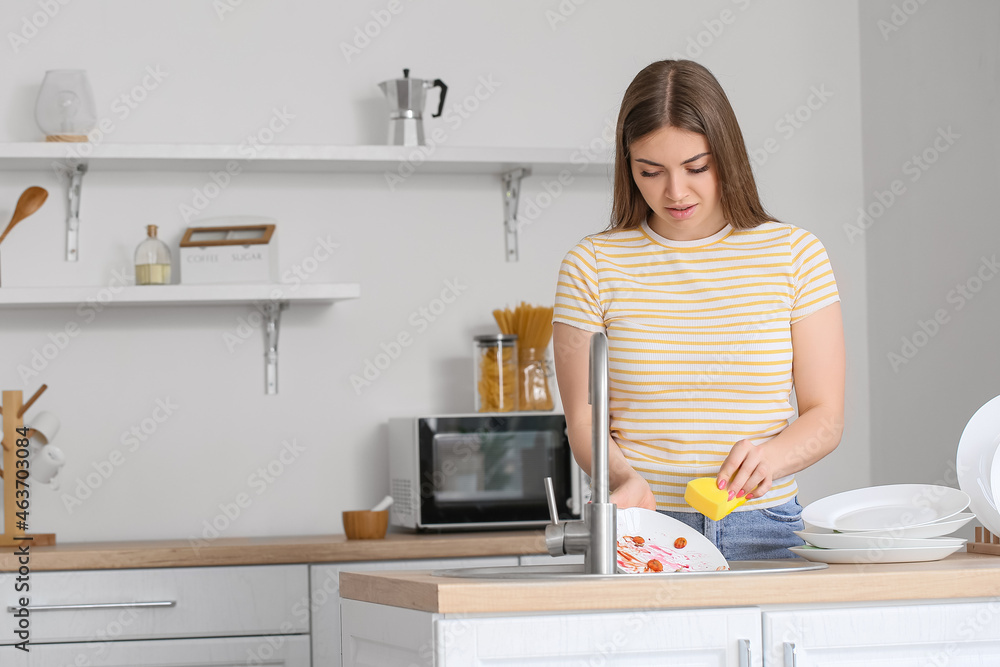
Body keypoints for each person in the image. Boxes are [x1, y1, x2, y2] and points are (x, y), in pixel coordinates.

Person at [552, 59, 845, 560]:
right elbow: (583, 419)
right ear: (628, 167)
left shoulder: (796, 254)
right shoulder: (591, 265)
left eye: (696, 167)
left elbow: (825, 416)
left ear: (726, 157)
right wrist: (624, 478)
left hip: (766, 527)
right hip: (645, 531)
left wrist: (770, 457)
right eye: (650, 171)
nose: (676, 192)